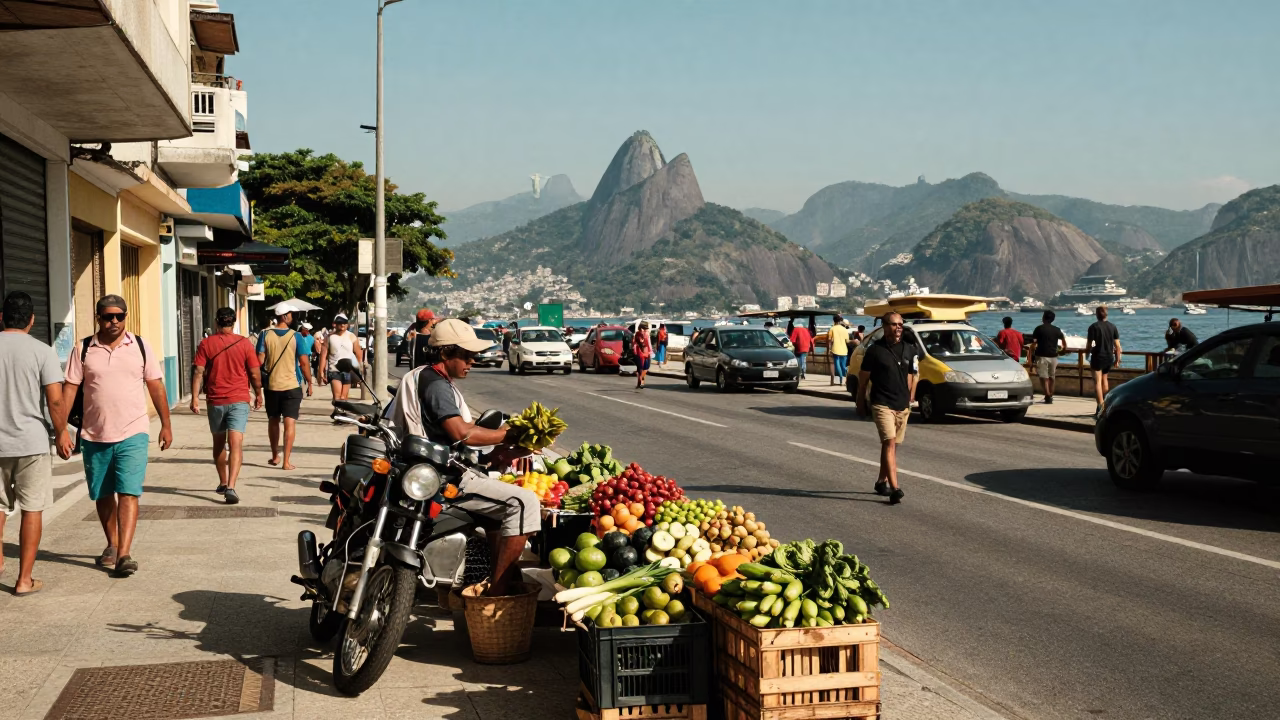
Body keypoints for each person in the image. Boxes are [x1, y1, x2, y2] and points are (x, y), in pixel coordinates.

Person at [389, 320, 540, 596]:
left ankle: (493, 578)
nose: (472, 362)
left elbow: (451, 441)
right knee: (524, 501)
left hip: (427, 470)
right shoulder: (436, 385)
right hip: (443, 477)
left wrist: (503, 453)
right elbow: (462, 433)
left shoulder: (419, 376)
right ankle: (498, 593)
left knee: (498, 514)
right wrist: (507, 434)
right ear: (446, 354)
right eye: (466, 356)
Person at [61, 294, 171, 577]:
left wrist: (166, 424)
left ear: (125, 316)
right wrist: (60, 429)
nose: (114, 321)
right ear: (98, 317)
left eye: (119, 316)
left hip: (133, 430)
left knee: (128, 491)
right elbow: (70, 389)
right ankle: (112, 543)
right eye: (108, 316)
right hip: (94, 434)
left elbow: (156, 386)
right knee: (102, 493)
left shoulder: (140, 346)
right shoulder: (83, 349)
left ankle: (124, 554)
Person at [0, 292, 70, 596]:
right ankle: (24, 580)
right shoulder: (42, 351)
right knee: (32, 509)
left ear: (1, 317)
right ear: (32, 319)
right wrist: (63, 432)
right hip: (31, 443)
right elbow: (55, 400)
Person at [191, 307, 263, 505]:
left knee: (218, 442)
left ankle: (223, 480)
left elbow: (198, 371)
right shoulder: (245, 343)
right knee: (236, 443)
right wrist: (258, 393)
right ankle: (231, 486)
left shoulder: (206, 343)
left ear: (217, 322)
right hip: (239, 399)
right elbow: (255, 373)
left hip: (215, 400)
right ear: (233, 322)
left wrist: (195, 398)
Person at [856, 312, 918, 505]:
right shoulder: (875, 351)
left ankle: (881, 482)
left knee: (891, 446)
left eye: (901, 324)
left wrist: (909, 397)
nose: (898, 327)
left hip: (902, 405)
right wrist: (860, 401)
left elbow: (912, 375)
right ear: (884, 326)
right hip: (882, 403)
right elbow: (863, 378)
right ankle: (895, 488)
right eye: (894, 324)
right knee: (889, 443)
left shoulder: (910, 349)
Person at [256, 303, 313, 470]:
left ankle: (275, 455)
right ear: (285, 316)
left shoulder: (265, 334)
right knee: (290, 423)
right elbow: (303, 363)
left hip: (272, 385)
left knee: (273, 420)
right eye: (291, 314)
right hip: (292, 386)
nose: (292, 317)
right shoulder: (296, 336)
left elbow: (259, 360)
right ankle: (286, 462)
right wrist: (310, 382)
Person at [317, 314, 362, 403]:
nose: (342, 325)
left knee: (343, 398)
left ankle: (342, 415)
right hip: (334, 370)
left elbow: (358, 354)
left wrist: (359, 370)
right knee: (337, 398)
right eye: (340, 323)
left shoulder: (352, 336)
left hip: (348, 370)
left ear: (347, 325)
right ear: (335, 324)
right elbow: (323, 355)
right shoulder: (329, 337)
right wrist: (321, 372)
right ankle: (338, 413)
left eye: (344, 323)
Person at [1085, 306, 1121, 416]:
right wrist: (1118, 359)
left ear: (1096, 314)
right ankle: (1105, 403)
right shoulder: (1113, 327)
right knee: (1105, 379)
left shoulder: (1093, 327)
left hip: (1097, 357)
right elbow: (1118, 346)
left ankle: (1100, 406)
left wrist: (1087, 354)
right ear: (1106, 314)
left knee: (1097, 382)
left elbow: (1089, 344)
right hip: (1109, 357)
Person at [1030, 310, 1067, 404]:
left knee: (1043, 377)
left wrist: (1031, 353)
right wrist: (1063, 350)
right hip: (1054, 356)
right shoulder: (1057, 329)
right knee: (1052, 376)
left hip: (1041, 355)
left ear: (1044, 318)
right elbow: (1063, 341)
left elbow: (1034, 343)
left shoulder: (1039, 329)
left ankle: (1047, 395)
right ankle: (1050, 394)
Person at [828, 314, 851, 384]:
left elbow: (830, 340)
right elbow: (847, 341)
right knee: (843, 366)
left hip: (835, 349)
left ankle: (841, 377)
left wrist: (829, 349)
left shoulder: (832, 329)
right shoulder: (844, 329)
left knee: (837, 365)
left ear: (833, 320)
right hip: (844, 350)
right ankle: (846, 376)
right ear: (840, 321)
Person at [634, 321, 653, 390]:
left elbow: (634, 343)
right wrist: (651, 352)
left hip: (638, 352)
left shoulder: (637, 334)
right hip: (645, 352)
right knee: (646, 368)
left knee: (640, 368)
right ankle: (641, 379)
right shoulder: (646, 334)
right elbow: (649, 344)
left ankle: (641, 382)